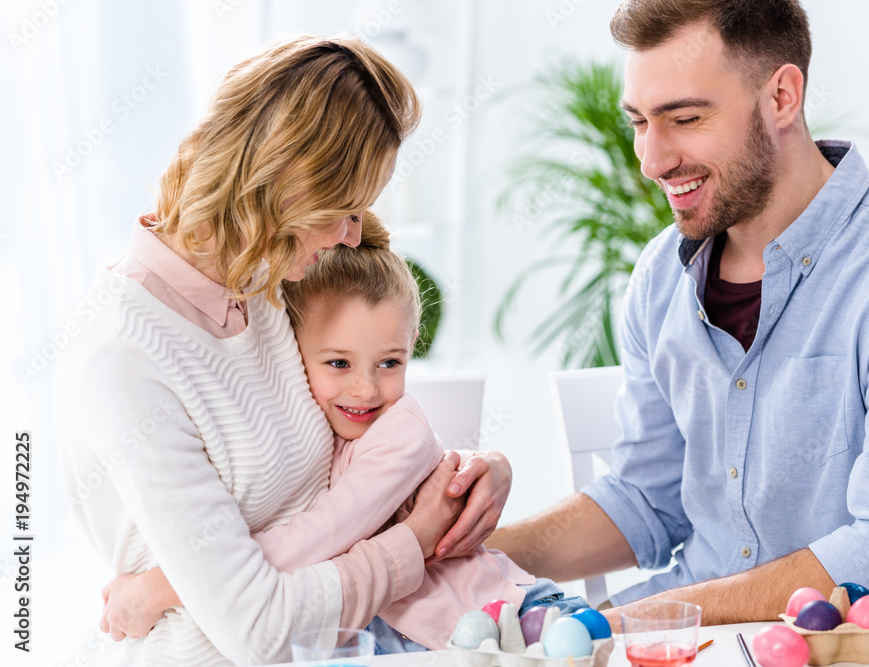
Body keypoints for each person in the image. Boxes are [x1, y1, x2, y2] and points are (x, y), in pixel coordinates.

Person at [487, 0, 869, 629]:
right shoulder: (660, 277)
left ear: (782, 96)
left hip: (854, 647)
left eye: (685, 118)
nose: (652, 160)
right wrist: (466, 553)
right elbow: (647, 501)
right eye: (641, 122)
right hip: (683, 634)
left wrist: (638, 620)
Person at [56, 35, 514, 666]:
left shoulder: (271, 283)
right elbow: (259, 631)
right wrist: (414, 542)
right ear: (288, 182)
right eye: (344, 210)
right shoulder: (124, 359)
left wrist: (476, 470)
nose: (353, 234)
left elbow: (355, 443)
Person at [98, 213, 588, 652]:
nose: (365, 388)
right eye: (338, 362)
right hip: (422, 639)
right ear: (292, 349)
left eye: (390, 363)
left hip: (510, 619)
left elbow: (317, 539)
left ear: (411, 346)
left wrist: (160, 588)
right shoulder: (306, 428)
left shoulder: (403, 435)